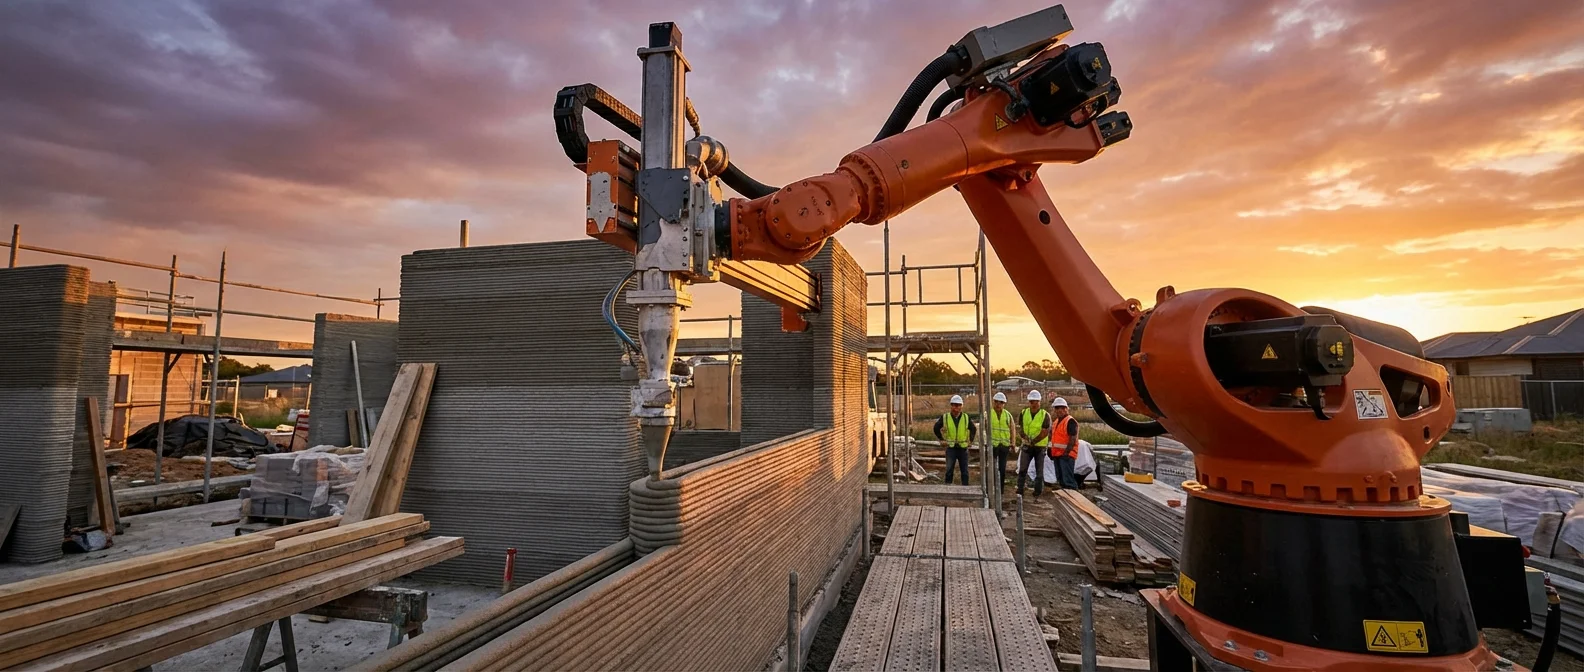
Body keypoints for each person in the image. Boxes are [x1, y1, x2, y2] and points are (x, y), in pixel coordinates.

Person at [933, 395, 976, 485]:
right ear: (951, 406)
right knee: (949, 470)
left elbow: (973, 429)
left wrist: (970, 441)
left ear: (961, 406)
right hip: (951, 447)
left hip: (963, 448)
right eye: (954, 405)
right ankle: (948, 489)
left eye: (958, 405)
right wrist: (941, 439)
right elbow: (936, 427)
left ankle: (965, 490)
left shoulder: (965, 417)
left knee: (964, 471)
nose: (956, 408)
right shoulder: (945, 417)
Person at [1017, 390, 1052, 498]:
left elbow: (1045, 432)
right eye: (1032, 401)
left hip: (1039, 447)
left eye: (1035, 401)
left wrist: (1034, 441)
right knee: (1022, 469)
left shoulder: (1045, 415)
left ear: (1039, 402)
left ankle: (1037, 492)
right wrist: (1024, 437)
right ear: (1029, 402)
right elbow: (1020, 428)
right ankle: (1020, 490)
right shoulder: (1024, 413)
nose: (1033, 404)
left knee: (1039, 472)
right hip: (1027, 446)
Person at [1050, 396, 1082, 489]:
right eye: (1057, 408)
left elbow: (1073, 439)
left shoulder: (1070, 421)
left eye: (1062, 408)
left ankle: (1073, 496)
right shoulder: (1056, 422)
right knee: (1061, 479)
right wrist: (1050, 450)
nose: (1059, 410)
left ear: (1066, 409)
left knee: (1068, 480)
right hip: (1057, 454)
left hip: (1067, 455)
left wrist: (1067, 453)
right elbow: (1052, 437)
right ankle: (1066, 496)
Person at [987, 392, 1014, 495]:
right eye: (996, 402)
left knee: (1002, 468)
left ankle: (1001, 490)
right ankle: (991, 488)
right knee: (991, 467)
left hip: (1004, 445)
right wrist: (986, 442)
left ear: (1004, 404)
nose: (998, 404)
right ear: (993, 402)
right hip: (993, 445)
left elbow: (1012, 429)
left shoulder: (1008, 415)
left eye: (1001, 402)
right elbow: (984, 428)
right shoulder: (988, 414)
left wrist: (1013, 443)